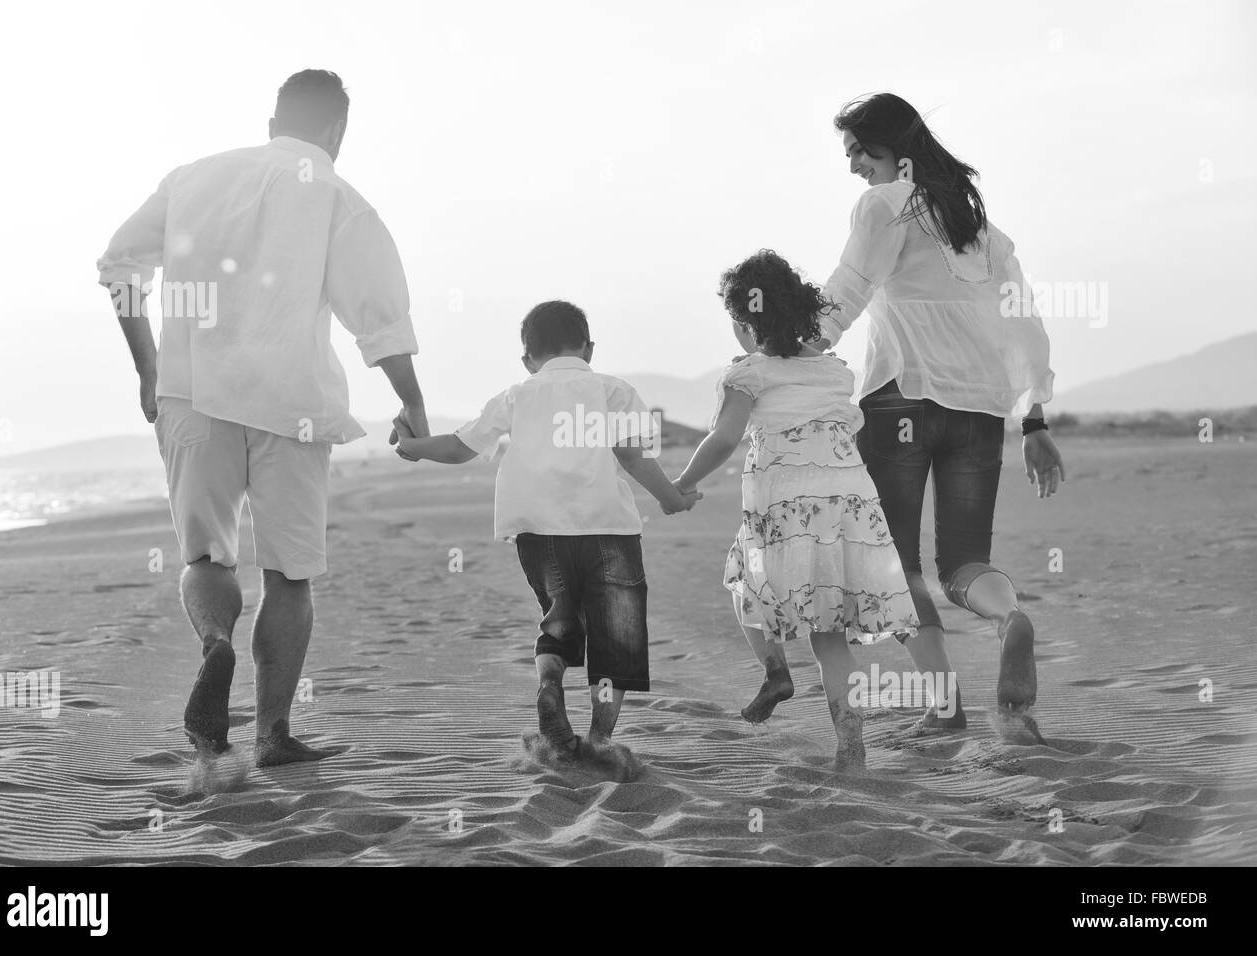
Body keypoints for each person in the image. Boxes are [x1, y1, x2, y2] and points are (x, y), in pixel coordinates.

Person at [96, 69, 429, 767]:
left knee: (206, 556)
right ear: (337, 131)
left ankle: (216, 643)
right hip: (293, 406)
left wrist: (148, 367)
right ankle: (273, 735)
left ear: (272, 121)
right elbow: (380, 320)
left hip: (190, 394)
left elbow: (120, 265)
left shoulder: (192, 178)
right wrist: (412, 402)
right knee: (289, 575)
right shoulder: (339, 196)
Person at [813, 92, 1064, 743]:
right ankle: (1010, 620)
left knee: (897, 567)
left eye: (857, 152)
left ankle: (946, 709)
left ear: (891, 149)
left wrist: (785, 355)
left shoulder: (883, 204)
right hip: (981, 408)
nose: (852, 167)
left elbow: (844, 293)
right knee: (962, 564)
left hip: (903, 397)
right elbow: (1024, 324)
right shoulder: (981, 228)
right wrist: (1033, 420)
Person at [394, 301, 698, 771]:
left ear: (527, 358)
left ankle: (550, 685)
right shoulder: (616, 391)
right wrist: (671, 497)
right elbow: (634, 457)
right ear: (589, 348)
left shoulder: (516, 395)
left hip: (538, 535)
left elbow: (459, 448)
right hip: (608, 531)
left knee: (558, 621)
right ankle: (598, 740)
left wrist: (412, 446)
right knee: (614, 641)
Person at [674, 251, 919, 773]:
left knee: (745, 582)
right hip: (850, 508)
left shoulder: (749, 372)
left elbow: (723, 438)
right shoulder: (832, 370)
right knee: (830, 636)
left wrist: (683, 483)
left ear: (744, 323)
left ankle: (775, 670)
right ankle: (851, 750)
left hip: (783, 504)